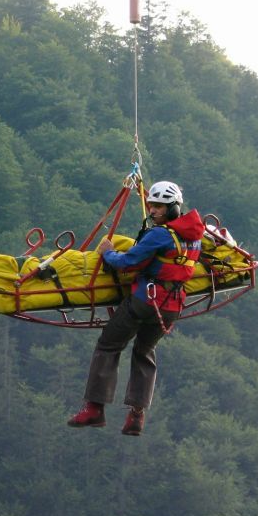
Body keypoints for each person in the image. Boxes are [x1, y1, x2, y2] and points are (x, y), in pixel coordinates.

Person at [67, 180, 204, 436]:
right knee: (145, 351)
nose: (152, 211)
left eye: (159, 207)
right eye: (151, 205)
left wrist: (107, 253)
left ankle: (94, 409)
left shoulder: (159, 235)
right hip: (172, 306)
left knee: (109, 345)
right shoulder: (196, 238)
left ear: (173, 209)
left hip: (144, 301)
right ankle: (136, 416)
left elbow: (128, 262)